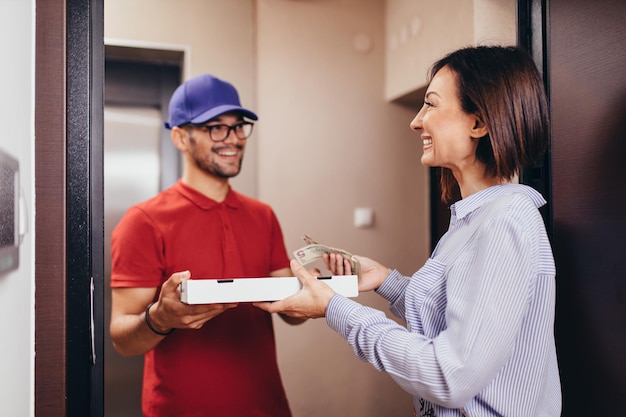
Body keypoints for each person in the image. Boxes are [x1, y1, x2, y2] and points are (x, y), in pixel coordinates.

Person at [255, 46, 562, 417]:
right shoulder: (472, 220)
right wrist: (386, 279)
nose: (417, 122)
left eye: (430, 104)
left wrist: (334, 308)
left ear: (478, 123)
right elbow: (457, 318)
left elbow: (450, 375)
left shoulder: (505, 221)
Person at [109, 73, 302, 417]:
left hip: (266, 406)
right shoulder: (143, 221)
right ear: (181, 137)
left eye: (239, 126)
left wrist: (315, 285)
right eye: (216, 127)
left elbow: (290, 311)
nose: (234, 138)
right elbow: (123, 338)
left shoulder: (263, 216)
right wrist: (160, 317)